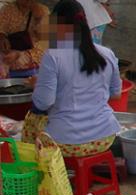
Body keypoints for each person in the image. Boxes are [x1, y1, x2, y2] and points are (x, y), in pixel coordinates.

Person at [22, 0, 121, 157]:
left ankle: (43, 174)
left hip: (66, 142)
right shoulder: (107, 54)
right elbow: (116, 94)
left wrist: (37, 86)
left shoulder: (52, 56)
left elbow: (43, 102)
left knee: (32, 119)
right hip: (104, 137)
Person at [0, 0, 49, 77]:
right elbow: (1, 29)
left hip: (34, 67)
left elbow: (46, 42)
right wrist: (2, 37)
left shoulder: (43, 11)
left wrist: (39, 19)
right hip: (9, 67)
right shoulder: (7, 9)